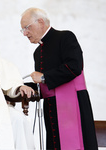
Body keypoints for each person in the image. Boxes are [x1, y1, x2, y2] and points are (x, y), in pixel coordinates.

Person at [20, 8, 98, 150]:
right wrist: (20, 87)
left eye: (26, 28)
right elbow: (43, 85)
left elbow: (75, 66)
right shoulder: (37, 52)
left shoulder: (65, 37)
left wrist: (44, 77)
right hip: (51, 109)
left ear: (41, 22)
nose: (25, 33)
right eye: (22, 30)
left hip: (73, 104)